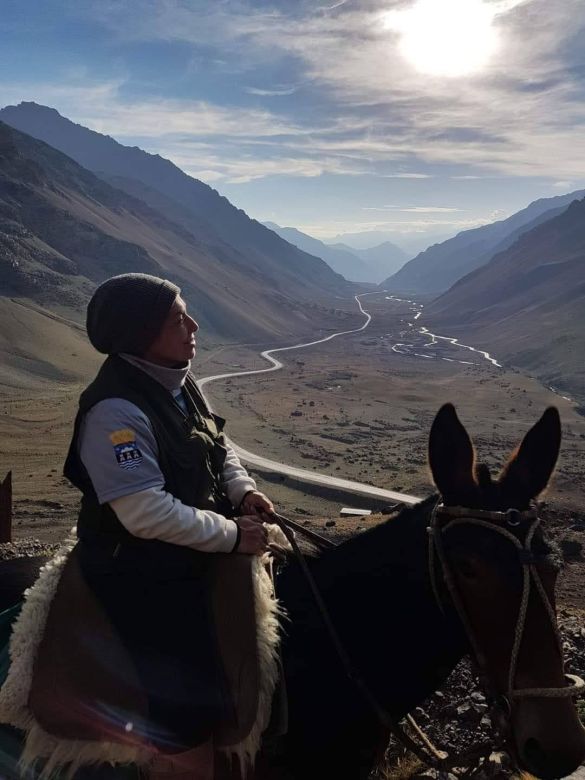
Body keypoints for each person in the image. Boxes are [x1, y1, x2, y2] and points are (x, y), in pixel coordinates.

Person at [63, 272, 275, 779]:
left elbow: (216, 449)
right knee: (184, 704)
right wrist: (231, 536)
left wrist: (242, 490)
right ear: (141, 333)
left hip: (192, 545)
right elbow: (144, 514)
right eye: (178, 318)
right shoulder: (115, 411)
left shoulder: (181, 383)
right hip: (139, 570)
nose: (194, 325)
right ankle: (181, 759)